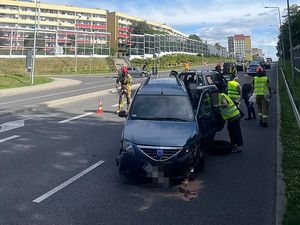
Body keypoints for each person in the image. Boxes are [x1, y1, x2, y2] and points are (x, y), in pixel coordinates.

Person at [214, 85, 243, 153]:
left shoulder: (220, 96)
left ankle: (235, 147)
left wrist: (217, 106)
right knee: (234, 131)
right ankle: (236, 146)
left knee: (233, 132)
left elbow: (225, 104)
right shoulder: (222, 94)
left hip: (233, 116)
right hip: (234, 115)